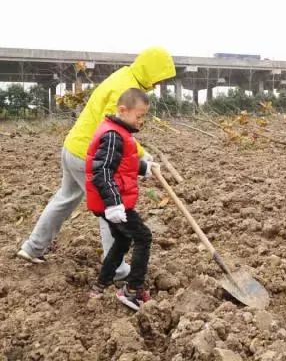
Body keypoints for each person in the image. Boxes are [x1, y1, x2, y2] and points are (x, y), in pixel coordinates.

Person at [17, 47, 175, 280]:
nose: (159, 83)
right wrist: (141, 156)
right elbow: (116, 130)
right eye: (159, 77)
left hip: (73, 147)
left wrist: (141, 154)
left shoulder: (124, 77)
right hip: (88, 156)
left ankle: (32, 248)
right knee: (111, 209)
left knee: (65, 198)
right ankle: (118, 270)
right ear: (150, 70)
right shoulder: (125, 88)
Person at [87, 88, 158, 310]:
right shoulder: (112, 135)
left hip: (111, 201)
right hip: (113, 203)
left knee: (122, 240)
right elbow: (102, 171)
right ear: (122, 110)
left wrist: (144, 167)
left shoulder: (119, 132)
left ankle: (100, 286)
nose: (141, 120)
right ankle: (133, 290)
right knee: (143, 237)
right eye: (139, 115)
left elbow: (122, 163)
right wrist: (114, 202)